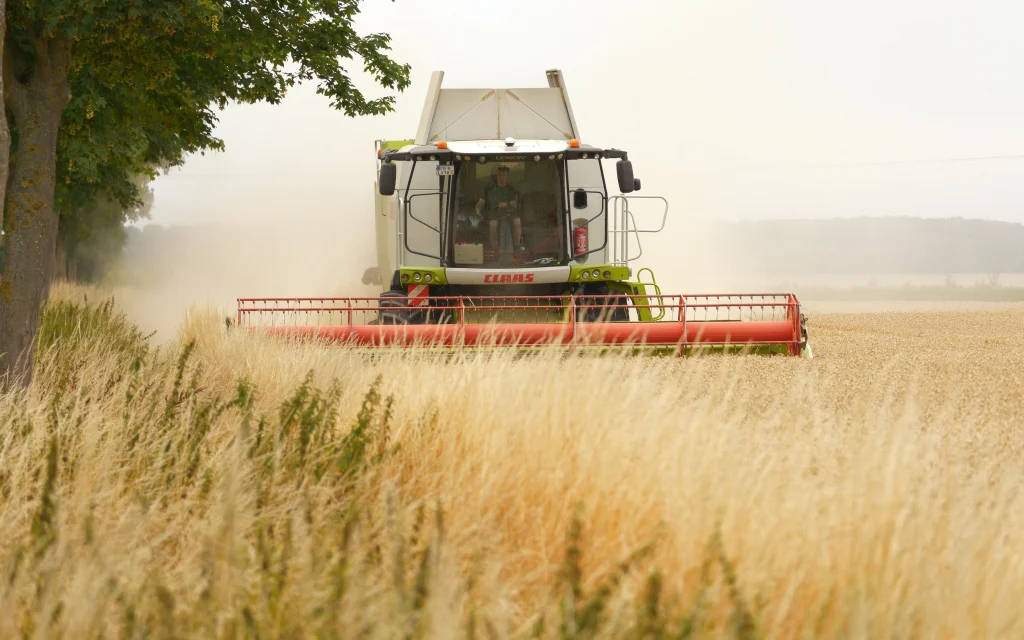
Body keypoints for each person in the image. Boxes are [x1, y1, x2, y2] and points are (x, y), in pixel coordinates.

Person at [474, 165, 522, 252]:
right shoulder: (489, 188)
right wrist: (477, 209)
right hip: (494, 214)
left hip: (509, 213)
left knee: (517, 221)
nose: (502, 178)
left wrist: (507, 204)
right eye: (500, 175)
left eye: (504, 176)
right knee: (493, 224)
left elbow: (515, 203)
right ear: (497, 176)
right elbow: (481, 201)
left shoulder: (511, 189)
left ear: (507, 177)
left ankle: (516, 247)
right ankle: (495, 249)